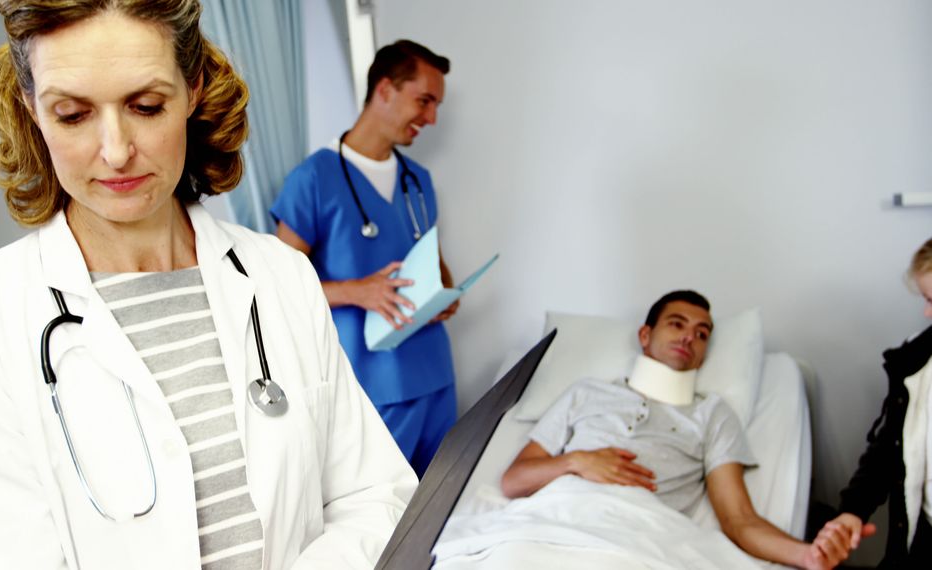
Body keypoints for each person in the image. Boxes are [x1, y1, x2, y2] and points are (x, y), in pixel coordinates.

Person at [0, 2, 416, 568]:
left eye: (146, 106)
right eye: (72, 114)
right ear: (31, 108)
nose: (117, 150)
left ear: (193, 88)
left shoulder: (281, 277)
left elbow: (375, 496)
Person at [500, 290, 863, 569]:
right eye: (677, 324)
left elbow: (739, 519)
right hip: (558, 520)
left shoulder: (711, 414)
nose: (690, 337)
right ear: (645, 335)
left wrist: (807, 555)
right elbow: (514, 481)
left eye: (702, 333)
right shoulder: (586, 392)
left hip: (641, 537)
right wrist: (576, 461)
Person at [271, 40, 456, 476]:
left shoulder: (417, 180)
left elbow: (435, 262)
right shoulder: (314, 179)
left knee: (440, 505)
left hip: (436, 377)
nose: (431, 118)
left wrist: (446, 292)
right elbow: (276, 283)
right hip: (372, 385)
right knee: (383, 522)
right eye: (424, 101)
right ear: (386, 90)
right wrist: (358, 291)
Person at [825, 237, 932, 567]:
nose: (927, 312)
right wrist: (852, 511)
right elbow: (888, 449)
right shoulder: (914, 363)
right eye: (928, 299)